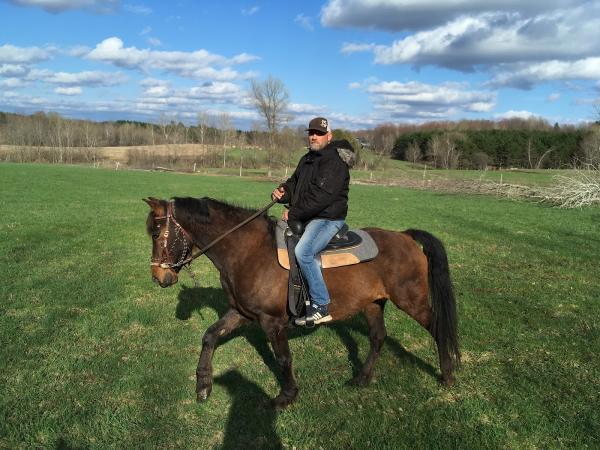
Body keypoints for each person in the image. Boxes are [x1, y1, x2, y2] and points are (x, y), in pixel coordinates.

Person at [272, 117, 356, 326]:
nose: (313, 137)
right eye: (311, 133)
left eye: (319, 133)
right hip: (309, 214)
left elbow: (321, 197)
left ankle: (321, 304)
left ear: (329, 136)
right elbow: (295, 183)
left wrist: (293, 213)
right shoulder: (307, 159)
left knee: (304, 252)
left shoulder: (334, 161)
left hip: (327, 218)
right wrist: (284, 192)